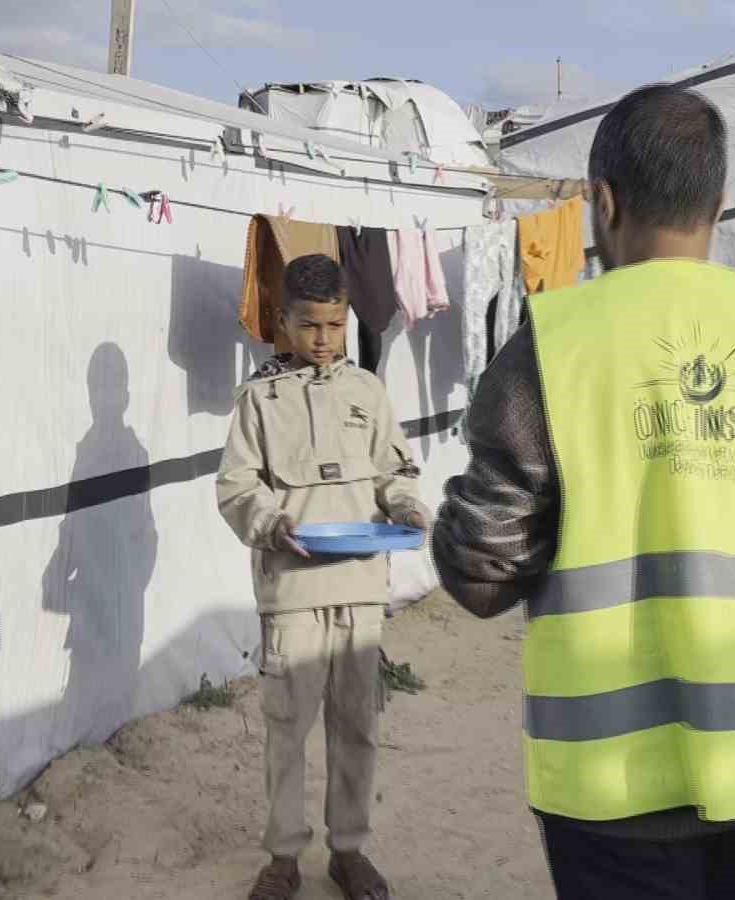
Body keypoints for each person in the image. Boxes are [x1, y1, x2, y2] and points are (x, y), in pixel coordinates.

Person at [431, 84, 735, 900]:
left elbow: (481, 572)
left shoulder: (550, 346)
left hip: (605, 781)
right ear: (718, 204)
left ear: (604, 202)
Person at [217, 254, 430, 900]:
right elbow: (235, 485)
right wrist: (268, 521)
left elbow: (396, 472)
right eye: (309, 325)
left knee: (356, 726)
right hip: (293, 588)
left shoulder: (368, 391)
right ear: (281, 322)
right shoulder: (258, 399)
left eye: (335, 325)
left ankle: (349, 850)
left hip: (361, 588)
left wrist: (406, 505)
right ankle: (283, 857)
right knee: (287, 728)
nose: (323, 339)